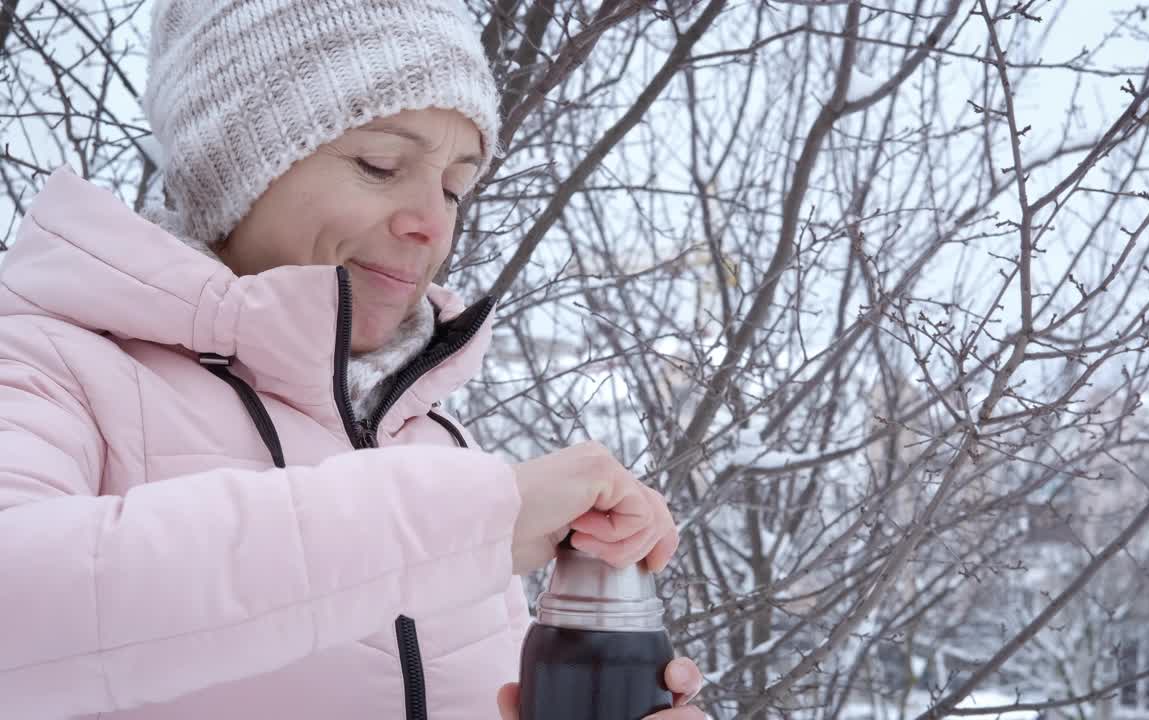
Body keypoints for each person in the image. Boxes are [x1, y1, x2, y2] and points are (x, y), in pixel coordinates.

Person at [0, 1, 704, 718]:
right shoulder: (46, 362)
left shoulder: (428, 436)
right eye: (381, 165)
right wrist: (463, 520)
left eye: (455, 187)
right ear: (235, 165)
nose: (431, 225)